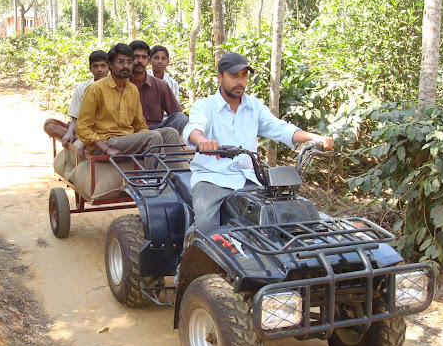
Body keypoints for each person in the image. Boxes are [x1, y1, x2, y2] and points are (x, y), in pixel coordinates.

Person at [183, 52, 335, 231]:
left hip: (249, 178)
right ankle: (187, 257)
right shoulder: (205, 106)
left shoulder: (254, 107)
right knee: (206, 227)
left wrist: (313, 137)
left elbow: (279, 128)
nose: (240, 81)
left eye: (244, 76)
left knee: (279, 217)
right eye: (233, 76)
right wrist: (202, 141)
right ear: (219, 78)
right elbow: (194, 127)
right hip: (212, 178)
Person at [76, 43, 180, 160]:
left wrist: (145, 136)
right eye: (121, 62)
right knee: (153, 136)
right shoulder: (95, 89)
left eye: (129, 62)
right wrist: (106, 149)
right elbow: (82, 127)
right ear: (110, 64)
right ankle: (151, 177)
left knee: (171, 133)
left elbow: (139, 124)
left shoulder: (132, 90)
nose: (126, 66)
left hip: (128, 139)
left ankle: (173, 176)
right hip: (105, 142)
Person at [128, 40, 188, 135]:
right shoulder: (120, 84)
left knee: (181, 118)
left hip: (155, 130)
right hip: (127, 132)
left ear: (148, 60)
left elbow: (176, 114)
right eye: (136, 57)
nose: (140, 61)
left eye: (143, 57)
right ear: (129, 59)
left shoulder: (161, 85)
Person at [62, 50, 109, 146]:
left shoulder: (116, 87)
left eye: (103, 66)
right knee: (50, 125)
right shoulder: (81, 88)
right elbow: (75, 117)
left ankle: (87, 141)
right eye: (95, 66)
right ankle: (82, 139)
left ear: (109, 68)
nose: (99, 70)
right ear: (90, 69)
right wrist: (69, 132)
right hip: (86, 130)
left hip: (107, 132)